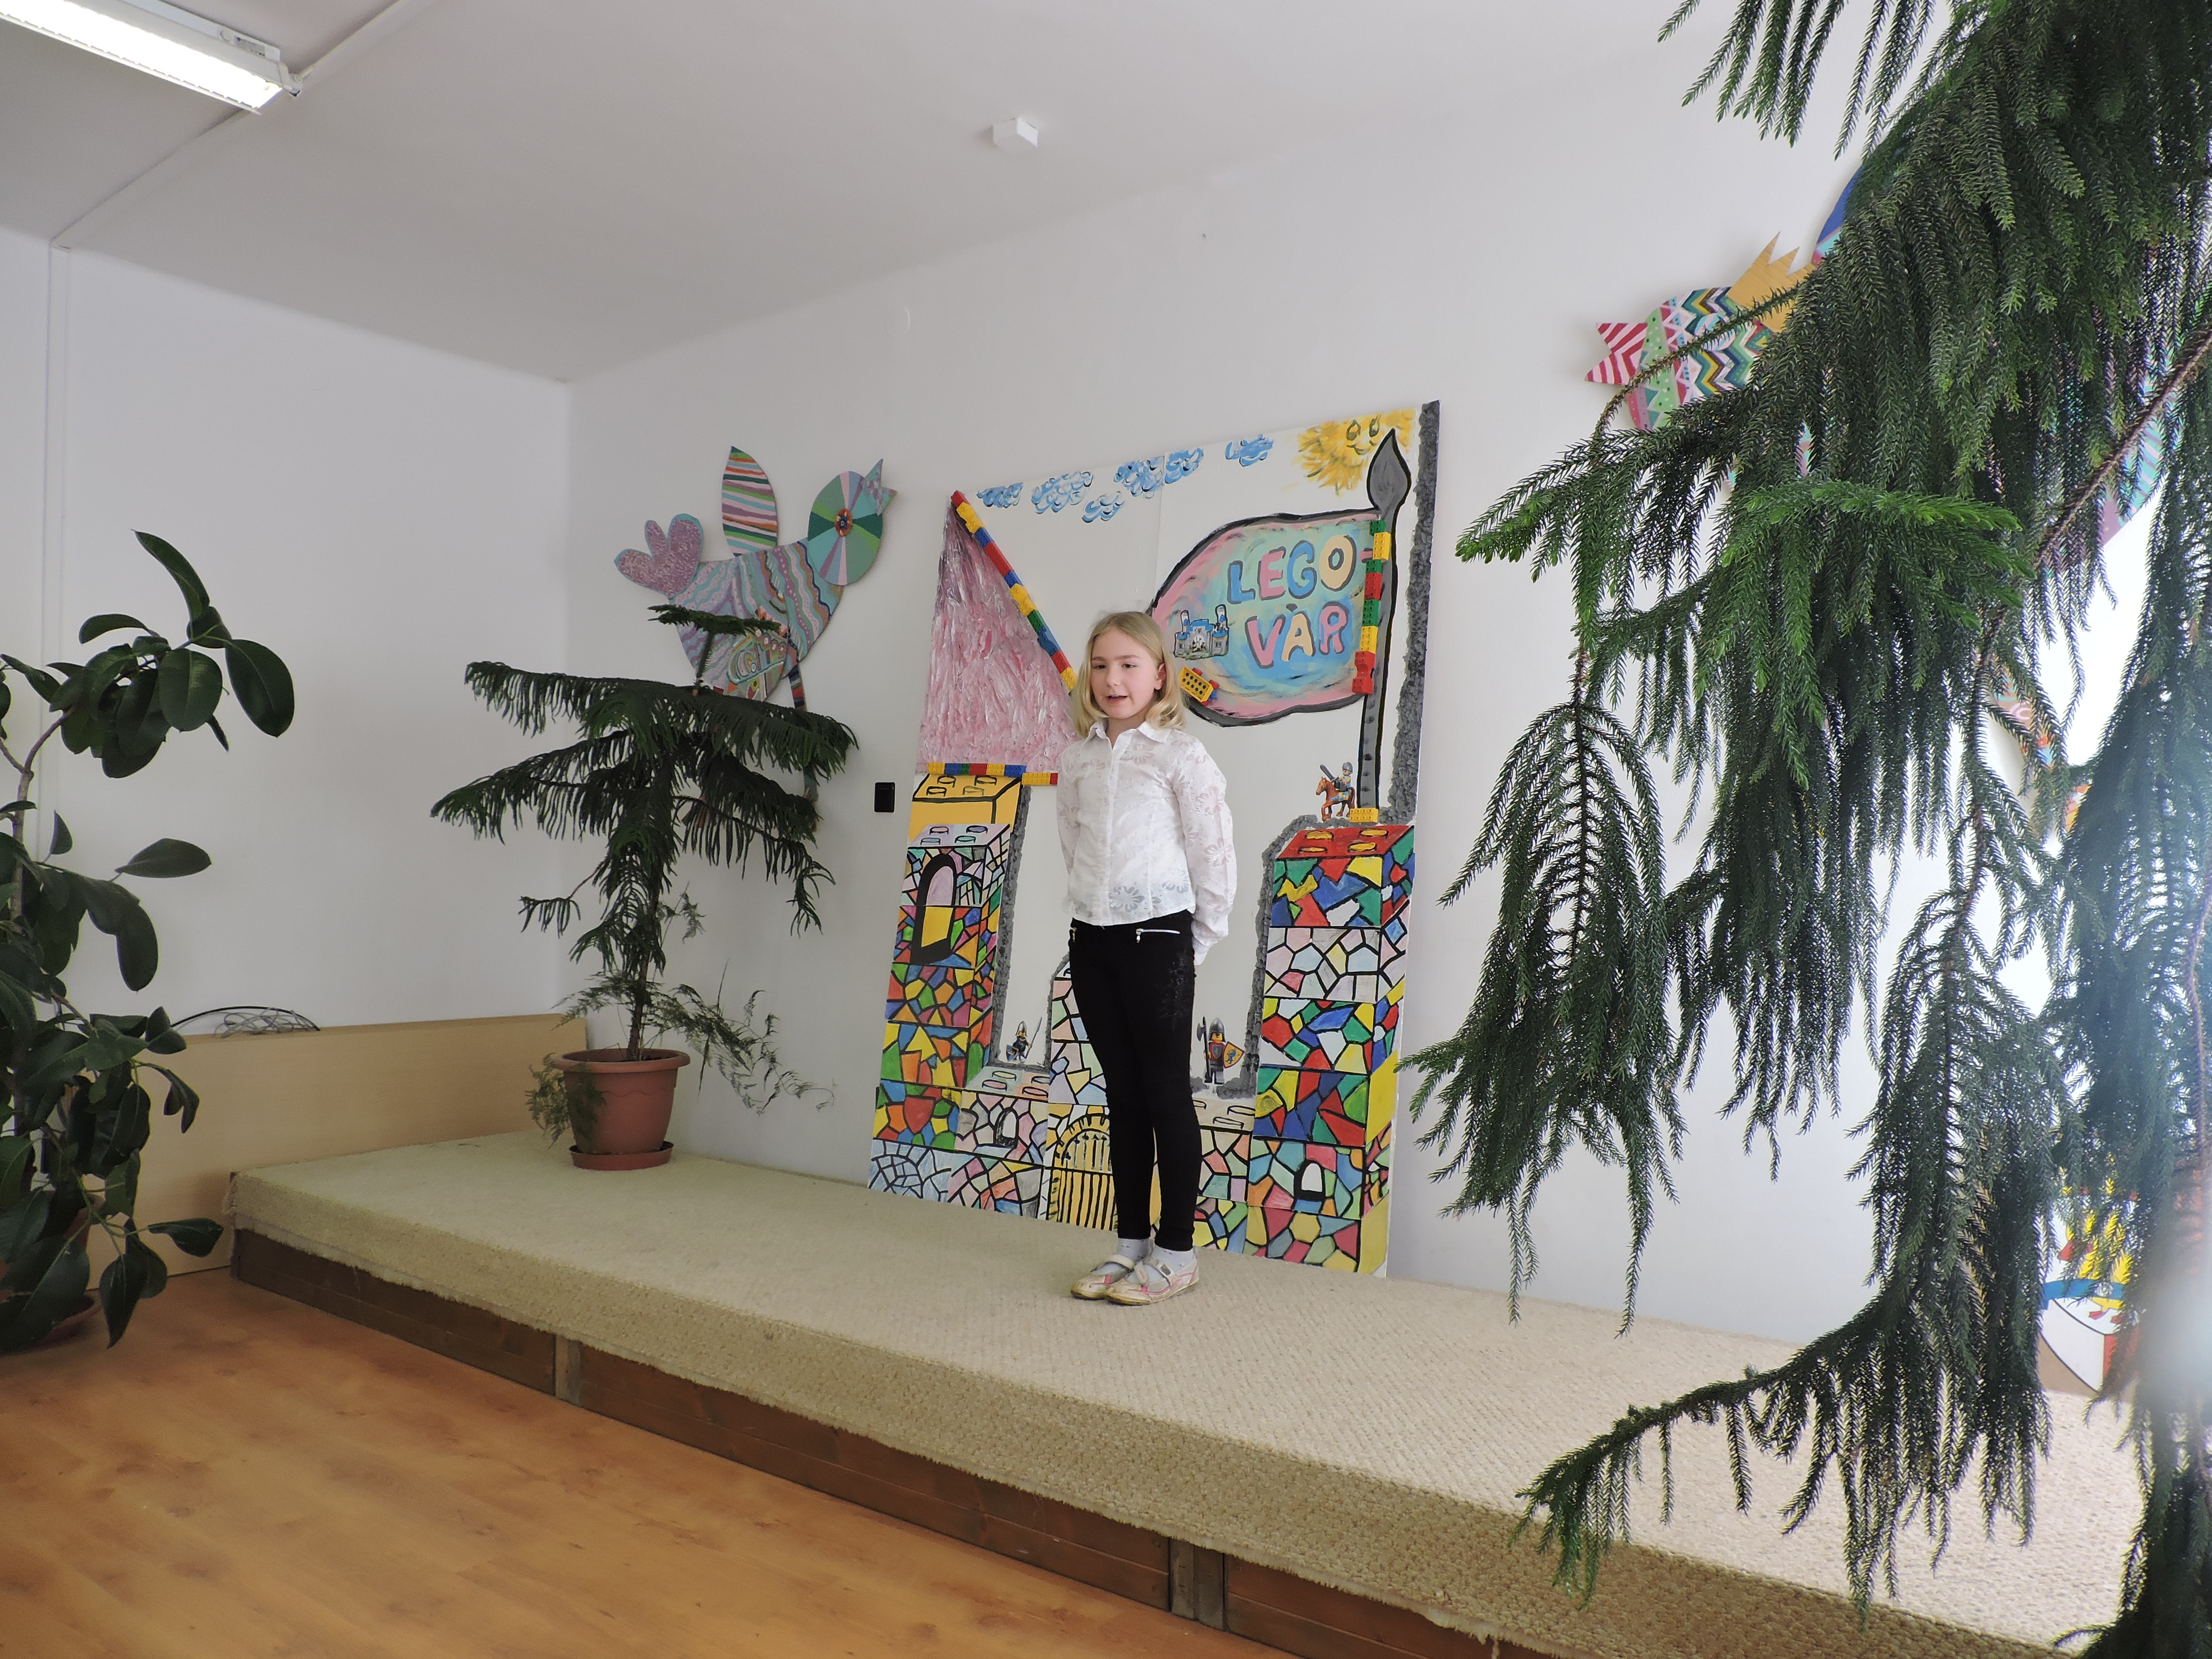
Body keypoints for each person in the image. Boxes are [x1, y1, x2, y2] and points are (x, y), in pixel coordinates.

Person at [1057, 612, 1236, 1305]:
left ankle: (1178, 1253)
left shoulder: (1181, 757)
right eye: (1102, 665)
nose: (1114, 679)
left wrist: (1196, 942)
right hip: (1093, 941)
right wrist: (1090, 918)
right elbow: (1073, 846)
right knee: (1121, 1095)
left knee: (1164, 1094)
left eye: (1129, 665)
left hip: (1159, 938)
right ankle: (1131, 1245)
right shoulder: (1077, 760)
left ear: (1159, 674)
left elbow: (1212, 853)